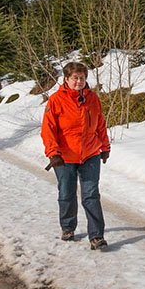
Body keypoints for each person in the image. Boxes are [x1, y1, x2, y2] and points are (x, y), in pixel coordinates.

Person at [41, 61, 111, 250]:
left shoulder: (93, 99)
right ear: (66, 79)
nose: (79, 81)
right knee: (66, 194)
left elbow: (100, 124)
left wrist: (105, 147)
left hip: (90, 153)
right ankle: (68, 227)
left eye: (82, 78)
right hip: (64, 157)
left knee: (91, 195)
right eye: (75, 78)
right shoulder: (55, 100)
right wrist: (53, 153)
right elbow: (48, 129)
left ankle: (96, 236)